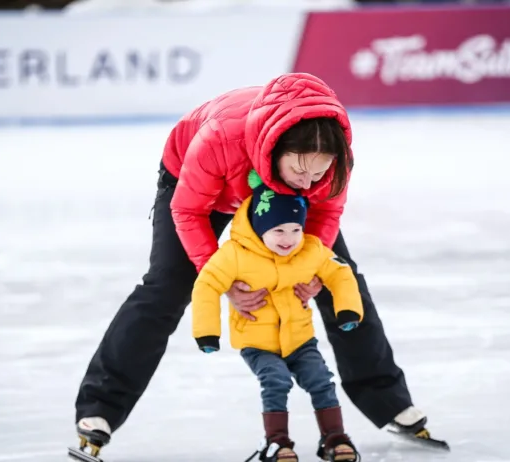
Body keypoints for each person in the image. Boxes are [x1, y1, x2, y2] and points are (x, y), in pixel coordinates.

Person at [72, 72, 440, 459]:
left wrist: (312, 270)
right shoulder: (219, 139)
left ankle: (389, 400)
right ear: (276, 149)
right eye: (300, 171)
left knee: (341, 279)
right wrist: (222, 278)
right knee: (167, 285)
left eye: (317, 173)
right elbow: (188, 209)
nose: (307, 183)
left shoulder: (331, 165)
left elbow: (326, 213)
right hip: (203, 189)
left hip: (267, 186)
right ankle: (100, 410)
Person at [191, 171, 363, 462]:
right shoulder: (234, 254)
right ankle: (276, 442)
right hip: (257, 341)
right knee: (276, 380)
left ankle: (334, 437)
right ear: (260, 228)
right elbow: (207, 284)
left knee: (321, 380)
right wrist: (207, 332)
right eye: (279, 231)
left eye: (295, 229)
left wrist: (347, 308)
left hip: (300, 338)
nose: (289, 239)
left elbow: (340, 272)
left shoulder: (309, 248)